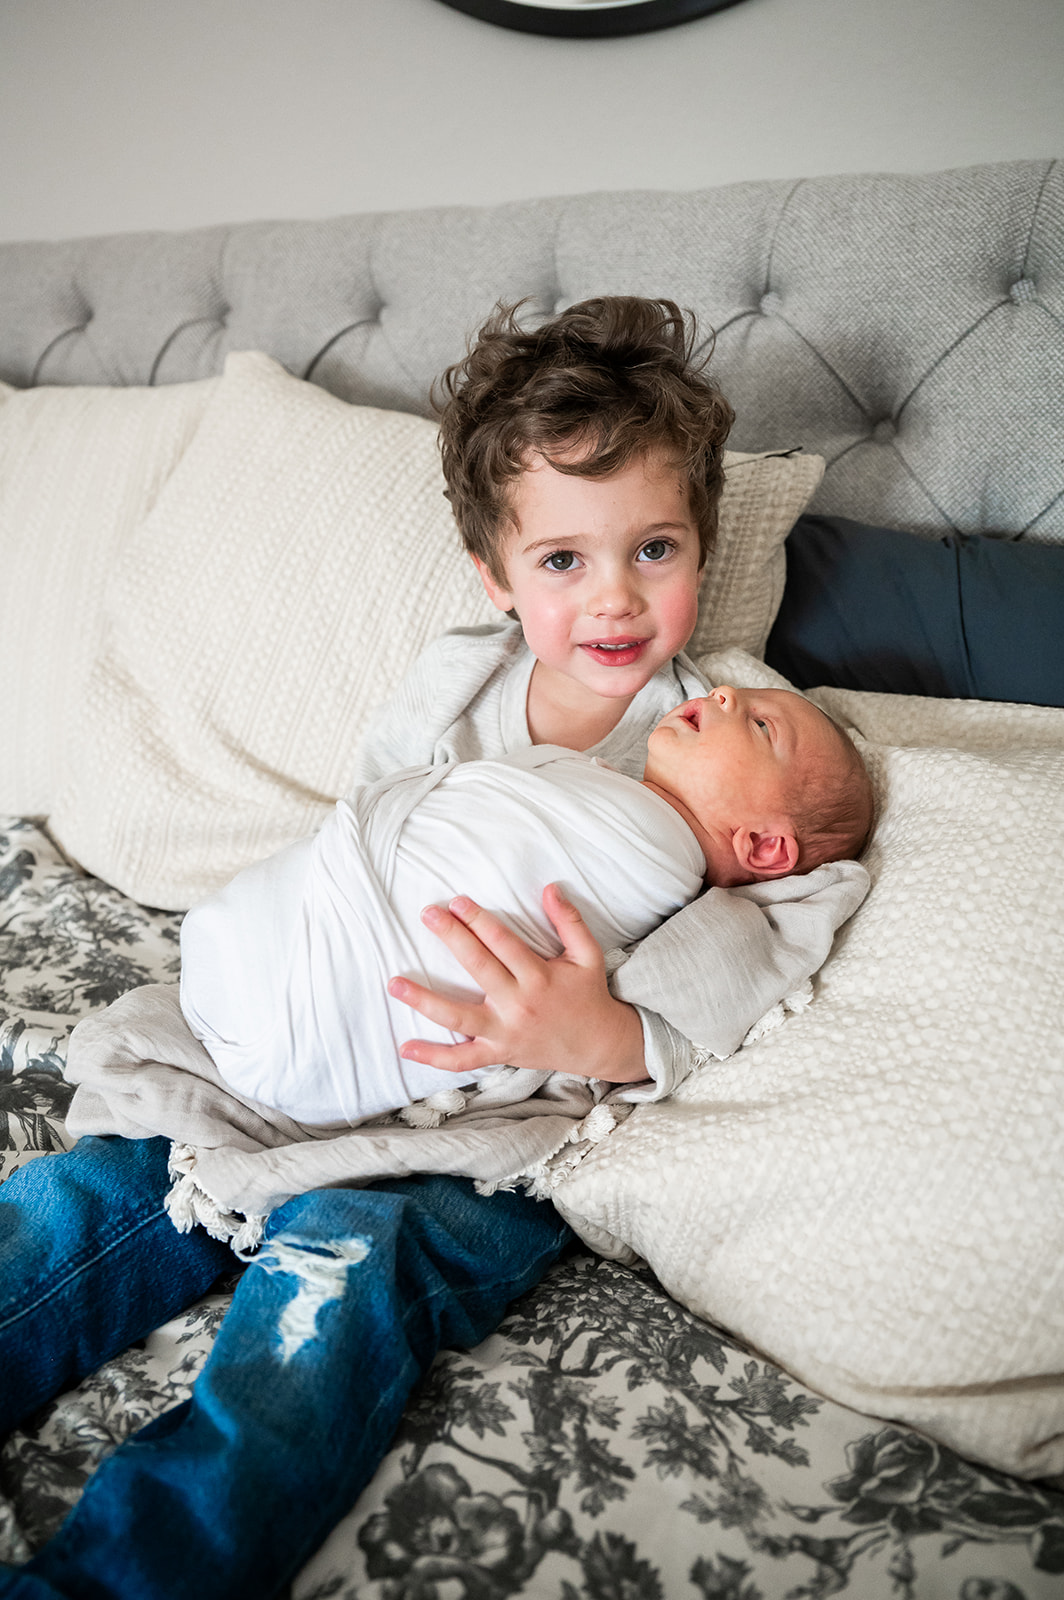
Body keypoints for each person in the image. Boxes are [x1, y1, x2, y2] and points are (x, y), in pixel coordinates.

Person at [0, 298, 869, 1600]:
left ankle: (131, 1575)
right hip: (331, 1023)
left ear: (702, 539)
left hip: (482, 1122)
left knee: (342, 1283)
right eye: (563, 559)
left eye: (654, 547)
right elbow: (370, 844)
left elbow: (777, 919)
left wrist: (605, 1033)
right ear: (496, 575)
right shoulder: (457, 682)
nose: (615, 596)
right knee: (106, 1184)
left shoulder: (735, 731)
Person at [181, 688, 872, 1128]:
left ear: (764, 846)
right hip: (278, 948)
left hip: (288, 1006)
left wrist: (609, 1038)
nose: (723, 693)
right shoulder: (604, 781)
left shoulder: (669, 869)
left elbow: (691, 1009)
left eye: (760, 724)